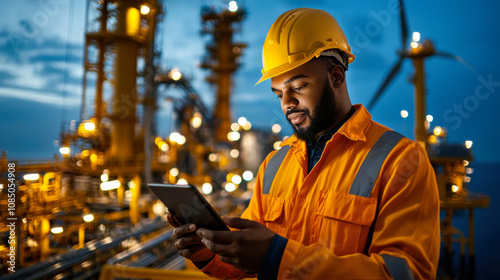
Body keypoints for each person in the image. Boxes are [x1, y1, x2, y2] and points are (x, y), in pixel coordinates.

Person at [168, 7, 440, 280]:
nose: (287, 103)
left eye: (298, 87)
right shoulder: (275, 165)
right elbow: (246, 257)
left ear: (336, 77)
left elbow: (407, 274)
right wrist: (207, 251)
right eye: (279, 94)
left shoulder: (400, 160)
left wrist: (276, 257)